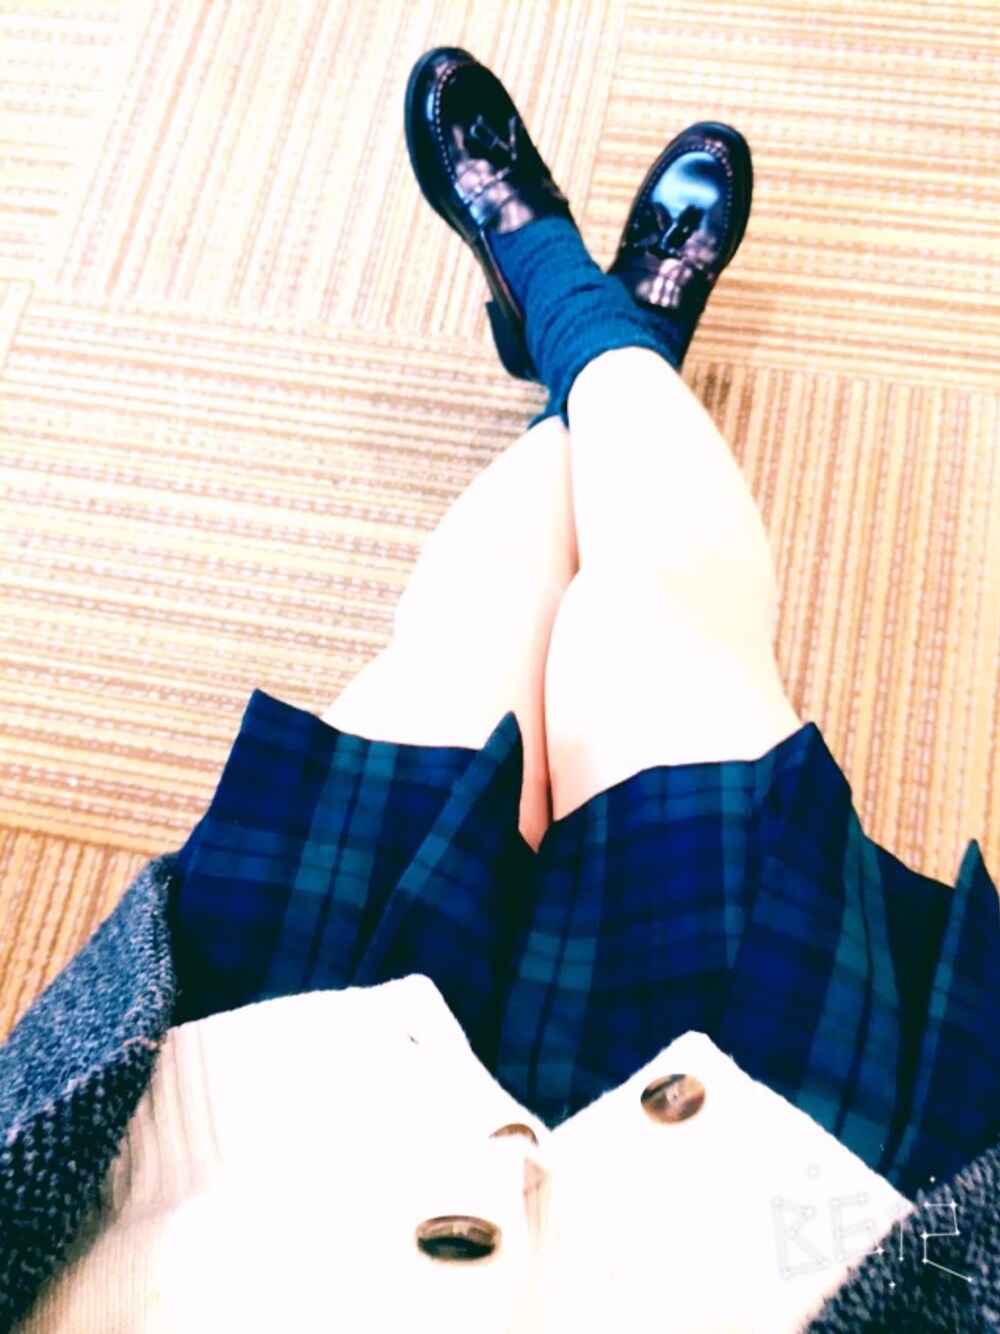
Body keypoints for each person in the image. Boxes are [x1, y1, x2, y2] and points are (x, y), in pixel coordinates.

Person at [1, 46, 998, 1332]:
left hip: (253, 1152)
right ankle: (590, 321)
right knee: (647, 630)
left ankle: (575, 316)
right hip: (764, 1217)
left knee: (471, 649)